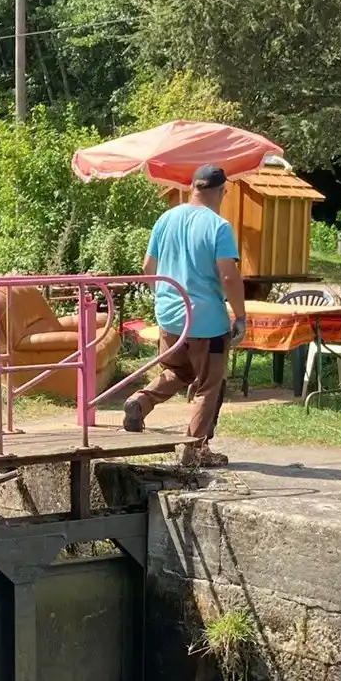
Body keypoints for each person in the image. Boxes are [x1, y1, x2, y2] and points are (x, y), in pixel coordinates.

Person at [121, 163, 246, 466]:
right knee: (208, 384)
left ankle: (141, 400)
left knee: (178, 371)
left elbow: (148, 267)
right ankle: (195, 450)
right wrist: (240, 316)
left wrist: (164, 298)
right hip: (207, 323)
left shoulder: (166, 218)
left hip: (170, 318)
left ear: (193, 188)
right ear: (221, 191)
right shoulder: (219, 227)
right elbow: (229, 276)